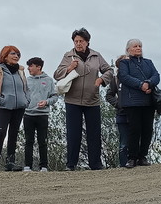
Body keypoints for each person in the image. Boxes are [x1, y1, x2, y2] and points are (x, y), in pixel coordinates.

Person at [54, 27, 113, 170]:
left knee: (94, 133)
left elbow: (109, 70)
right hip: (72, 100)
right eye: (76, 41)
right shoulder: (68, 56)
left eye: (81, 41)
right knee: (73, 133)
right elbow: (57, 75)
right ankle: (71, 164)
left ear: (87, 42)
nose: (78, 43)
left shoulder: (96, 56)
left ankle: (96, 163)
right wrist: (69, 68)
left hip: (92, 100)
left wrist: (101, 80)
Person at [0, 46, 29, 172]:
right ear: (4, 56)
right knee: (0, 133)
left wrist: (27, 100)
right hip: (4, 107)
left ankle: (11, 162)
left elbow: (26, 88)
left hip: (19, 107)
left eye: (18, 54)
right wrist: (1, 100)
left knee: (14, 133)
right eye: (13, 54)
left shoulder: (20, 71)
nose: (16, 56)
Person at [118, 39, 160, 168]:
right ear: (128, 49)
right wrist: (140, 85)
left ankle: (143, 156)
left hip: (148, 100)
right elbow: (124, 77)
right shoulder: (124, 63)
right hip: (132, 101)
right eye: (135, 46)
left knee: (147, 129)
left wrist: (149, 83)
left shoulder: (149, 62)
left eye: (140, 46)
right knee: (134, 129)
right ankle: (132, 157)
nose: (138, 48)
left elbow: (156, 75)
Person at [23, 57, 58, 172]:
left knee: (42, 141)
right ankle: (27, 165)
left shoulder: (48, 80)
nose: (29, 68)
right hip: (28, 114)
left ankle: (44, 166)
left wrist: (46, 102)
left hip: (42, 114)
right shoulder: (26, 80)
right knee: (28, 140)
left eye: (31, 66)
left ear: (38, 67)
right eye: (28, 66)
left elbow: (55, 96)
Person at [105, 55, 129, 167]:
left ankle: (138, 162)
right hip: (122, 114)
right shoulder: (115, 79)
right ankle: (123, 164)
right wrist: (117, 104)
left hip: (137, 113)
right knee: (124, 141)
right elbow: (109, 95)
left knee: (138, 139)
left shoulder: (137, 77)